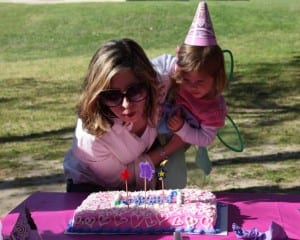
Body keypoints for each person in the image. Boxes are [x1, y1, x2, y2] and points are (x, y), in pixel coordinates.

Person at [63, 38, 185, 193]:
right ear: (98, 97)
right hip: (91, 187)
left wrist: (186, 64)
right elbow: (125, 177)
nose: (126, 105)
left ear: (149, 82)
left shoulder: (157, 82)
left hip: (143, 166)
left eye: (135, 91)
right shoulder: (91, 139)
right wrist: (172, 146)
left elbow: (175, 67)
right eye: (112, 96)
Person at [151, 1, 227, 176]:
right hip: (149, 134)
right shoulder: (177, 72)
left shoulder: (213, 109)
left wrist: (182, 128)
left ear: (216, 77)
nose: (192, 86)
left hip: (176, 141)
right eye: (186, 79)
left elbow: (206, 138)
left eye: (200, 82)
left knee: (169, 179)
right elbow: (154, 68)